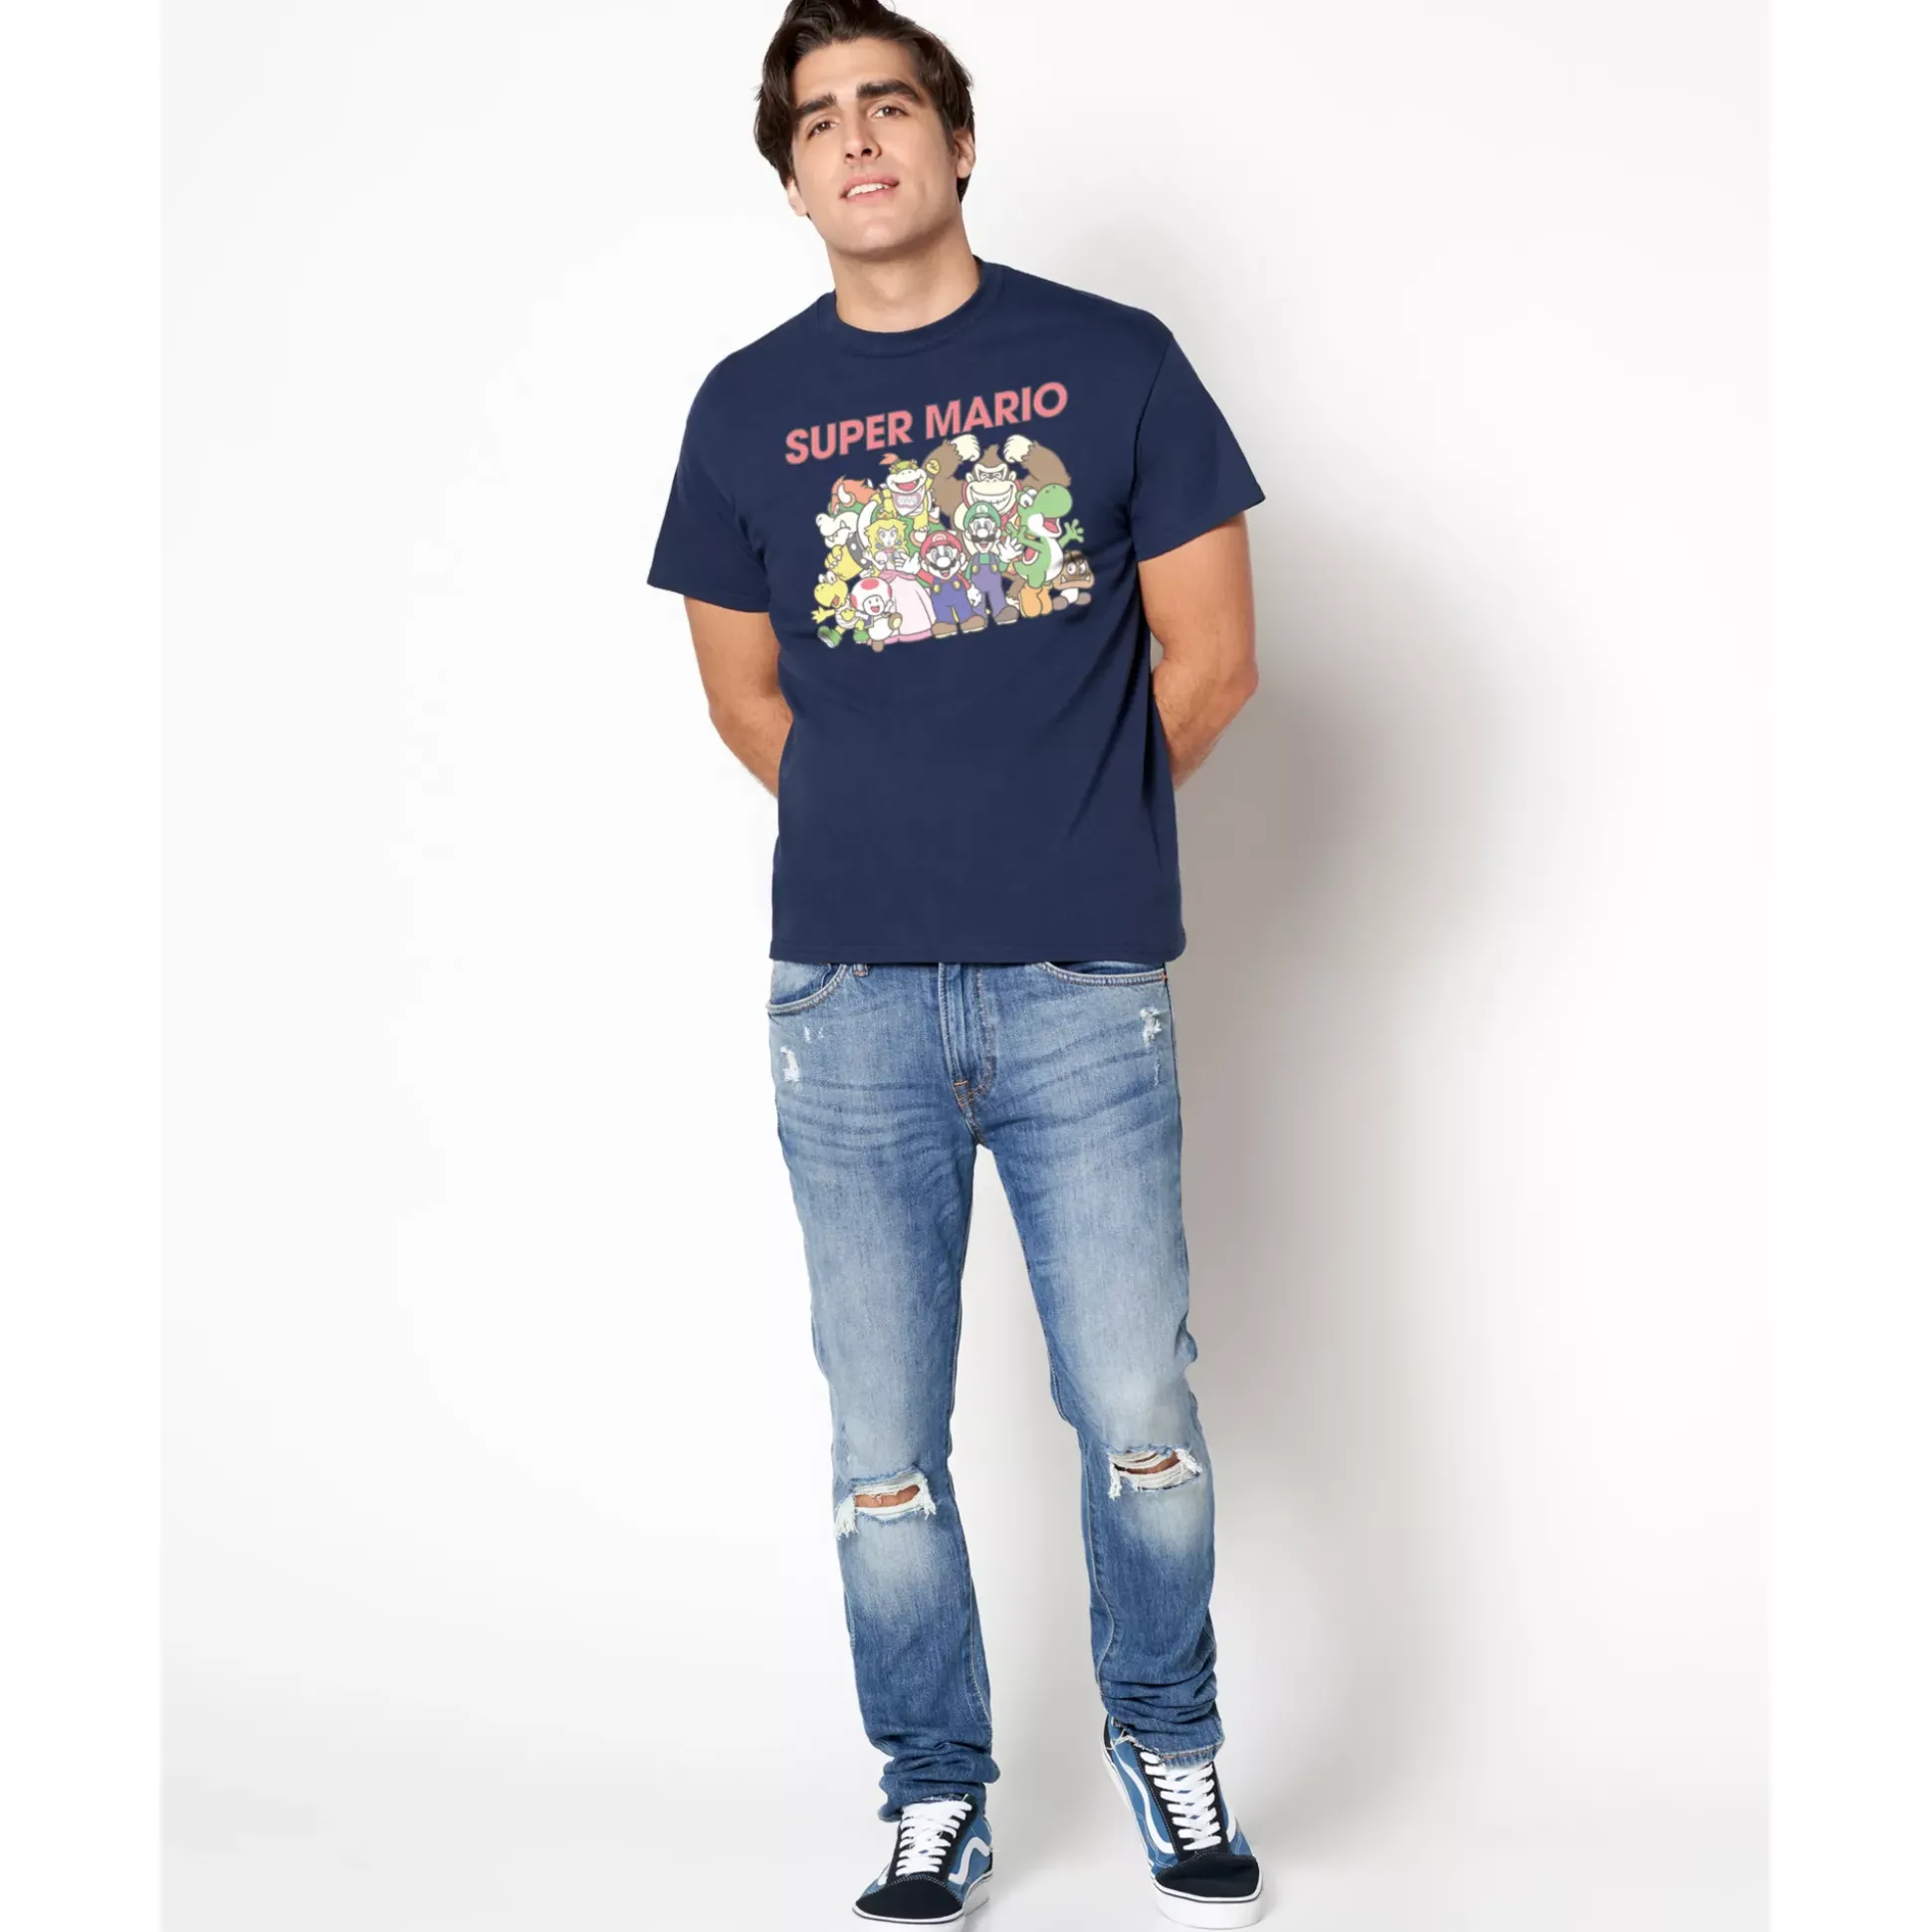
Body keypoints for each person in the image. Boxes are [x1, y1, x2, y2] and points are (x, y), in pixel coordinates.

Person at [647, 3, 1265, 1922]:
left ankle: (1169, 1738)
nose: (856, 140)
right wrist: (900, 830)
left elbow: (1213, 662)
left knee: (1140, 1417)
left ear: (957, 141)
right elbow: (745, 698)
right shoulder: (746, 407)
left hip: (1083, 985)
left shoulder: (1114, 360)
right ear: (791, 179)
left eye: (889, 104)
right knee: (882, 1449)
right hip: (848, 1000)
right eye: (818, 121)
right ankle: (934, 1789)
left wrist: (1061, 831)